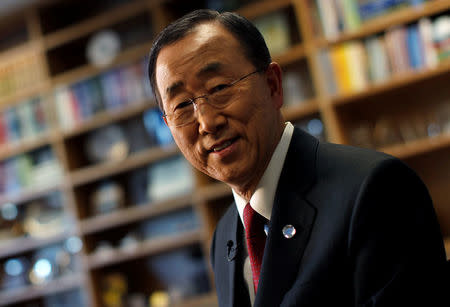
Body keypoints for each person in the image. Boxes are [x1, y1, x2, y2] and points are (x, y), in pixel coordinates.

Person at [147, 9, 447, 307]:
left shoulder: (376, 190)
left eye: (219, 88)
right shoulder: (225, 233)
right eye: (182, 105)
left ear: (273, 86)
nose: (207, 122)